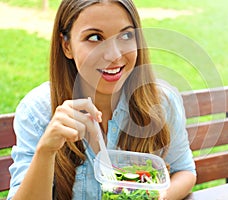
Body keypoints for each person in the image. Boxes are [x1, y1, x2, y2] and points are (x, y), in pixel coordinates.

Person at [7, 0, 196, 199]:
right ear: (66, 46)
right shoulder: (37, 111)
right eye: (95, 37)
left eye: (125, 35)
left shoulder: (162, 101)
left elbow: (184, 171)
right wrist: (46, 151)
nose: (114, 55)